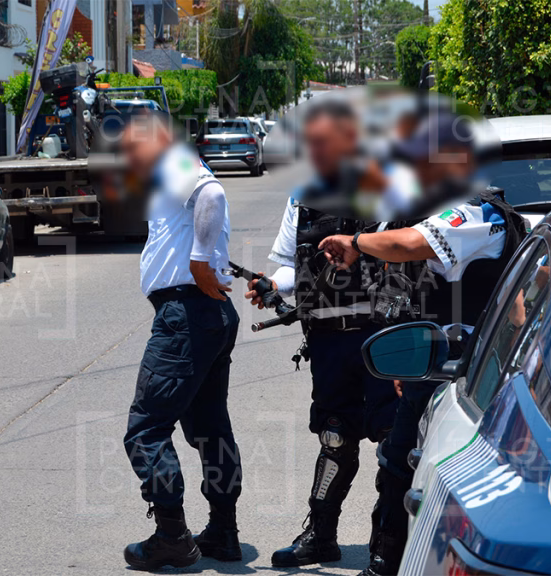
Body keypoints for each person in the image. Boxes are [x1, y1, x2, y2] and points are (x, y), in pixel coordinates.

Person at [319, 111, 527, 576]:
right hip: (440, 366)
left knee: (414, 474)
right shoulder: (448, 208)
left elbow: (413, 244)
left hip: (466, 378)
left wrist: (356, 240)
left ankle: (391, 566)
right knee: (397, 465)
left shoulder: (475, 211)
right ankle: (385, 561)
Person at [246, 99, 399, 568]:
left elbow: (411, 250)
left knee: (396, 441)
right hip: (329, 339)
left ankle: (389, 540)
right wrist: (272, 285)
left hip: (383, 335)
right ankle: (321, 535)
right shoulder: (304, 197)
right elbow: (292, 266)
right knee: (335, 437)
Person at [121, 110, 242, 571]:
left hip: (186, 316)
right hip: (206, 316)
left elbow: (212, 194)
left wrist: (199, 259)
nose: (129, 155)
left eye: (135, 146)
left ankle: (171, 535)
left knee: (146, 428)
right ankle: (223, 532)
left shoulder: (176, 162)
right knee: (211, 428)